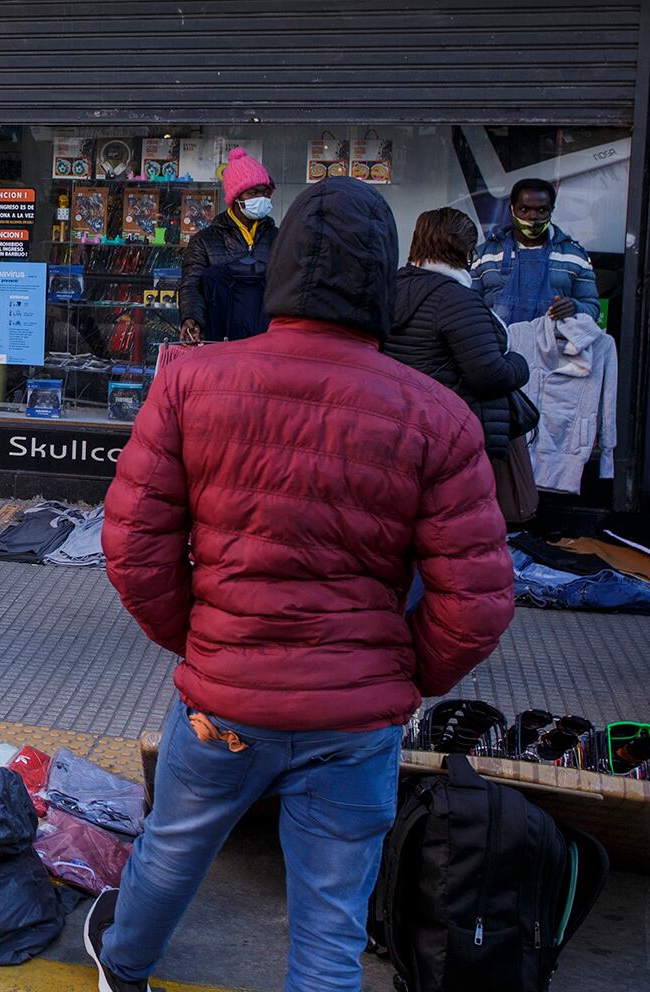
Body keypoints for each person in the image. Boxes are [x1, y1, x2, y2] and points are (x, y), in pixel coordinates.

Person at [87, 177, 516, 992]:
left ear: (279, 267)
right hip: (355, 716)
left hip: (225, 698)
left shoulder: (190, 380)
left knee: (173, 847)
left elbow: (134, 546)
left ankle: (125, 969)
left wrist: (207, 641)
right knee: (329, 919)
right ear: (381, 278)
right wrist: (396, 673)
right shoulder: (436, 414)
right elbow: (479, 599)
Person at [388, 208, 531, 512]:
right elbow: (489, 375)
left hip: (399, 427)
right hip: (452, 430)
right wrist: (520, 363)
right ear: (465, 250)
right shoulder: (458, 300)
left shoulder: (391, 289)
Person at [177, 147, 278, 343]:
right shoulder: (205, 240)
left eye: (266, 193)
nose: (262, 199)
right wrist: (191, 319)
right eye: (254, 193)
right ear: (236, 197)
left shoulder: (280, 238)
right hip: (220, 338)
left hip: (268, 340)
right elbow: (191, 285)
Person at [472, 178, 599, 326]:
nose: (533, 217)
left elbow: (593, 308)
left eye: (541, 210)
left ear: (552, 210)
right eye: (524, 209)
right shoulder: (484, 255)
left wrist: (575, 307)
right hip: (498, 346)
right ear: (512, 209)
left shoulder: (574, 256)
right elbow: (467, 306)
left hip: (552, 346)